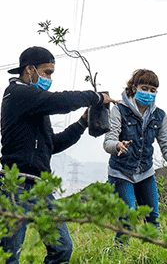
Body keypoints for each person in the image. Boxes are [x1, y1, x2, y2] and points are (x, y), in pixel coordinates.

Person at [0, 46, 116, 264]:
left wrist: (82, 123)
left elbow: (52, 144)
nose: (49, 78)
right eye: (47, 72)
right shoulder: (17, 94)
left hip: (40, 188)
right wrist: (96, 98)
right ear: (30, 70)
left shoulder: (34, 106)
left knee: (62, 248)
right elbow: (59, 101)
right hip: (15, 187)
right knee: (9, 256)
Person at [103, 69, 167, 244]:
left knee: (153, 219)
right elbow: (108, 141)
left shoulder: (159, 115)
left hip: (146, 173)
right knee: (127, 220)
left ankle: (150, 254)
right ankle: (119, 256)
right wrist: (117, 145)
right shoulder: (119, 109)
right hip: (121, 172)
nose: (148, 93)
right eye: (144, 88)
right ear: (134, 88)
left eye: (152, 90)